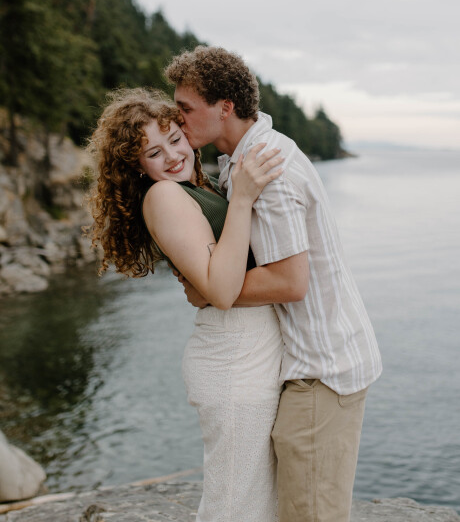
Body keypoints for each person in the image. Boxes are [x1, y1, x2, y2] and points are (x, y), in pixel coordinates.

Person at [165, 46, 383, 522]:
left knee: (309, 513)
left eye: (185, 108)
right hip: (305, 361)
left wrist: (209, 290)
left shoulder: (269, 167)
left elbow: (289, 281)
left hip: (323, 367)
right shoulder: (240, 160)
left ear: (225, 107)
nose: (177, 120)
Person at [86, 87, 285, 522]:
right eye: (153, 153)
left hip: (249, 352)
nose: (173, 156)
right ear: (136, 165)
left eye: (175, 139)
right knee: (234, 505)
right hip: (234, 358)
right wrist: (243, 198)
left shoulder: (195, 186)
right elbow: (221, 291)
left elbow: (211, 282)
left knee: (254, 499)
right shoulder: (164, 196)